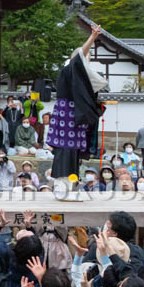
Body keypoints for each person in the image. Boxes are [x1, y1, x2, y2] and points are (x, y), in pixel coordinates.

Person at [49, 26, 106, 179]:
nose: (88, 62)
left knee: (74, 152)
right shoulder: (69, 69)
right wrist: (92, 38)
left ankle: (72, 182)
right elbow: (80, 57)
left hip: (76, 114)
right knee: (66, 150)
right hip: (67, 114)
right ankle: (63, 184)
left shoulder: (79, 75)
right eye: (86, 59)